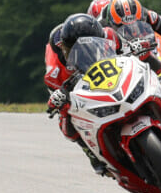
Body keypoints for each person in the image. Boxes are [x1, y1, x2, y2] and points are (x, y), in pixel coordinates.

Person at [46, 13, 112, 175]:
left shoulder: (107, 36)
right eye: (71, 50)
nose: (81, 52)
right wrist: (59, 98)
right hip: (72, 85)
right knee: (66, 124)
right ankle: (90, 151)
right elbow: (55, 99)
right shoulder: (54, 71)